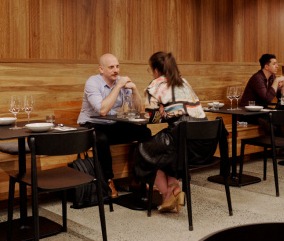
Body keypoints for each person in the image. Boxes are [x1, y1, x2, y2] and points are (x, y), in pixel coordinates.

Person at [135, 52, 206, 213]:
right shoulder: (184, 82)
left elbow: (151, 118)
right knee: (166, 152)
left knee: (143, 151)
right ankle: (174, 188)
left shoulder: (155, 85)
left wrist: (160, 112)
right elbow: (184, 110)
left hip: (181, 136)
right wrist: (166, 112)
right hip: (202, 142)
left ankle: (167, 194)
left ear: (155, 70)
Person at [77, 53, 151, 197]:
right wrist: (118, 86)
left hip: (112, 124)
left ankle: (139, 178)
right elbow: (102, 110)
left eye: (117, 66)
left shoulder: (120, 82)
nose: (116, 70)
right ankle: (108, 181)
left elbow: (138, 110)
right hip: (91, 124)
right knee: (101, 139)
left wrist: (134, 89)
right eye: (111, 67)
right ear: (101, 69)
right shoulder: (93, 82)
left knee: (144, 132)